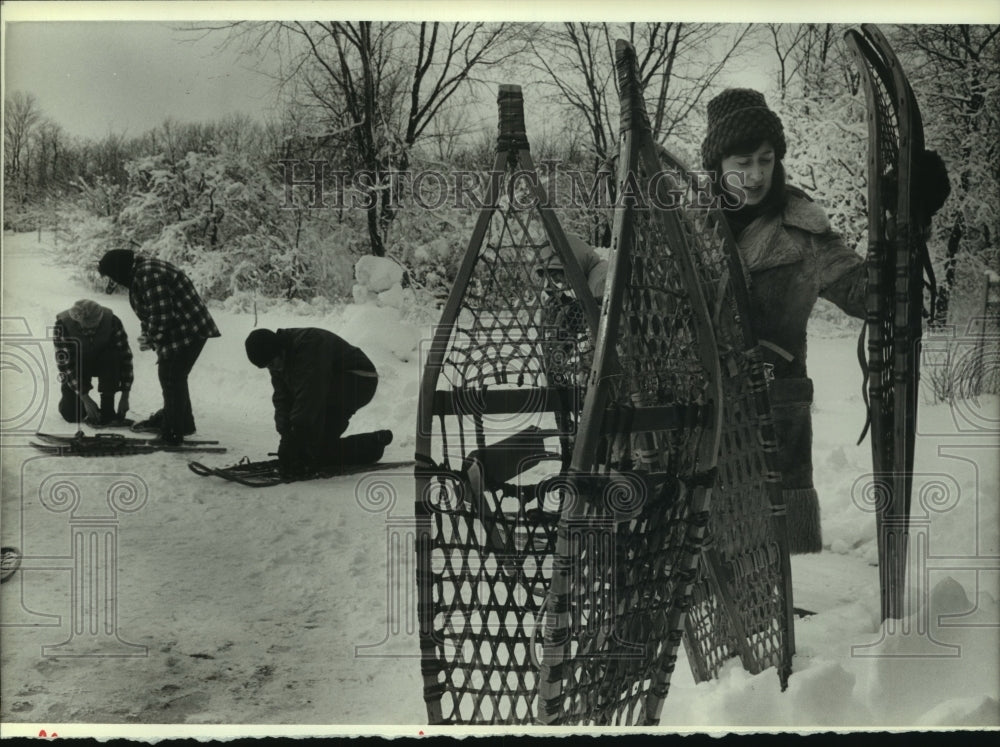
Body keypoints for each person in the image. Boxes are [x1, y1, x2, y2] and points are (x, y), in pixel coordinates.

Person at [701, 88, 948, 553]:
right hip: (701, 418)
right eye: (741, 162)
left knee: (778, 560)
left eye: (766, 159)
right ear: (717, 166)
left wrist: (907, 224)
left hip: (774, 416)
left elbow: (873, 294)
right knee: (702, 556)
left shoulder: (804, 232)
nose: (755, 175)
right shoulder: (687, 226)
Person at [97, 249, 220, 445]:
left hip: (188, 330)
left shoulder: (148, 274)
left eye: (113, 276)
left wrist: (152, 338)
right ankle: (182, 422)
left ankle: (172, 431)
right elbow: (150, 308)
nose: (114, 281)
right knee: (175, 376)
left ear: (119, 270)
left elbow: (162, 314)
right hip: (183, 330)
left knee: (171, 376)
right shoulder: (142, 271)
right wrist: (150, 335)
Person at [244, 327, 393, 478]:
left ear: (279, 349)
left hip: (358, 380)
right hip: (329, 387)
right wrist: (286, 436)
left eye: (273, 363)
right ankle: (373, 444)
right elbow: (282, 399)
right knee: (317, 449)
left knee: (309, 445)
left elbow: (310, 394)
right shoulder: (277, 358)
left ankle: (312, 454)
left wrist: (296, 437)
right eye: (268, 366)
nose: (273, 368)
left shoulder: (308, 345)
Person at [53, 299, 134, 426]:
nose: (91, 331)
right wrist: (85, 398)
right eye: (87, 327)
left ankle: (107, 407)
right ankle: (73, 403)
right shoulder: (62, 326)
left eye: (95, 326)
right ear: (77, 321)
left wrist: (125, 395)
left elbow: (125, 357)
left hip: (104, 363)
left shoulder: (112, 321)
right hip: (78, 366)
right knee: (72, 415)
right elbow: (66, 365)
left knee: (112, 355)